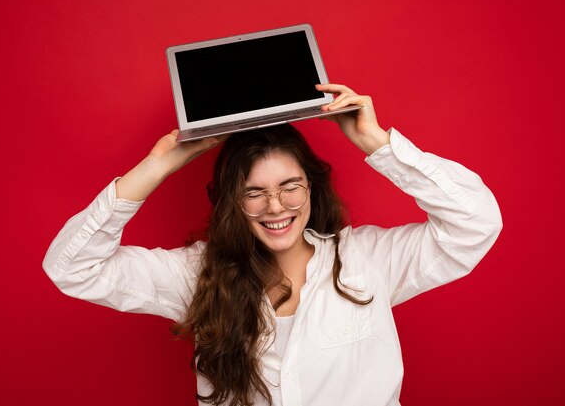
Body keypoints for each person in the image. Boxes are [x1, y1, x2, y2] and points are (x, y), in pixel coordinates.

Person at [43, 84, 502, 406]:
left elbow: (475, 223)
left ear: (312, 188)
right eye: (253, 191)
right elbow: (72, 268)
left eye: (290, 186)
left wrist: (377, 143)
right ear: (230, 202)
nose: (275, 206)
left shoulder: (367, 259)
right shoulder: (195, 276)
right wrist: (158, 165)